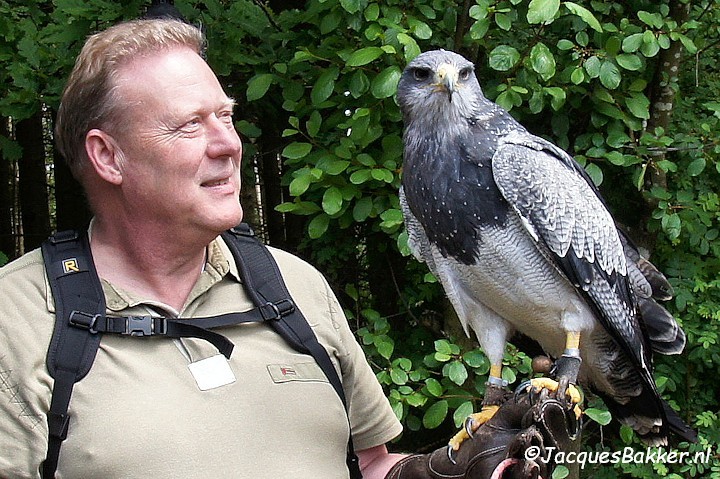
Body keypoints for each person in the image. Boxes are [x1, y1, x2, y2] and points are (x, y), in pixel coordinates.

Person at [0, 18, 576, 478]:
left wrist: (448, 473)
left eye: (226, 116)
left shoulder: (292, 286)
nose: (228, 144)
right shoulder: (16, 320)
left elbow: (370, 464)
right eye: (189, 126)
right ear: (108, 157)